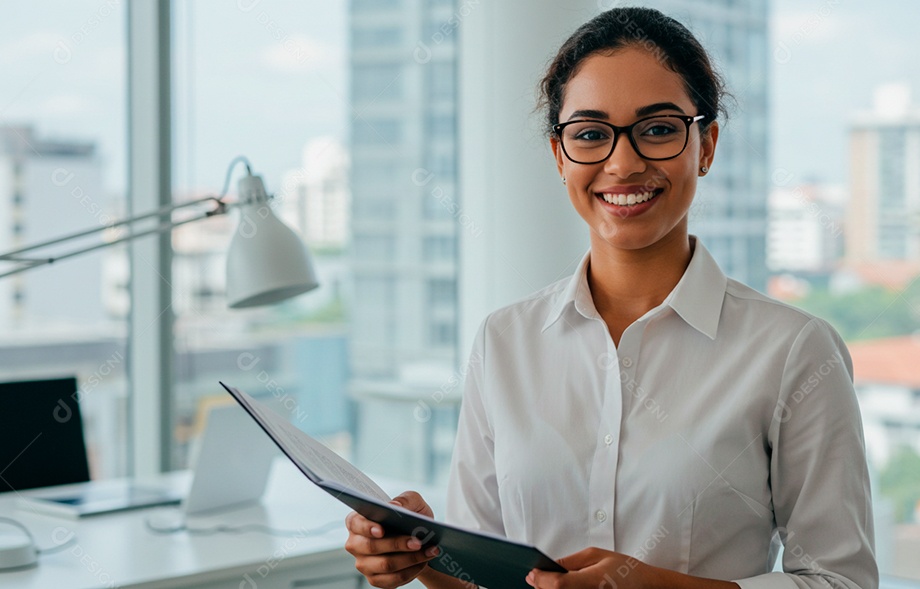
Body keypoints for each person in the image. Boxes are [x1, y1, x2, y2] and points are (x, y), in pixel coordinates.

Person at [345, 7, 877, 589]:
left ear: (706, 145)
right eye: (591, 135)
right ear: (559, 155)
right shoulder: (505, 340)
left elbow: (840, 582)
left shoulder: (792, 350)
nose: (623, 163)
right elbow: (487, 579)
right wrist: (419, 559)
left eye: (657, 129)